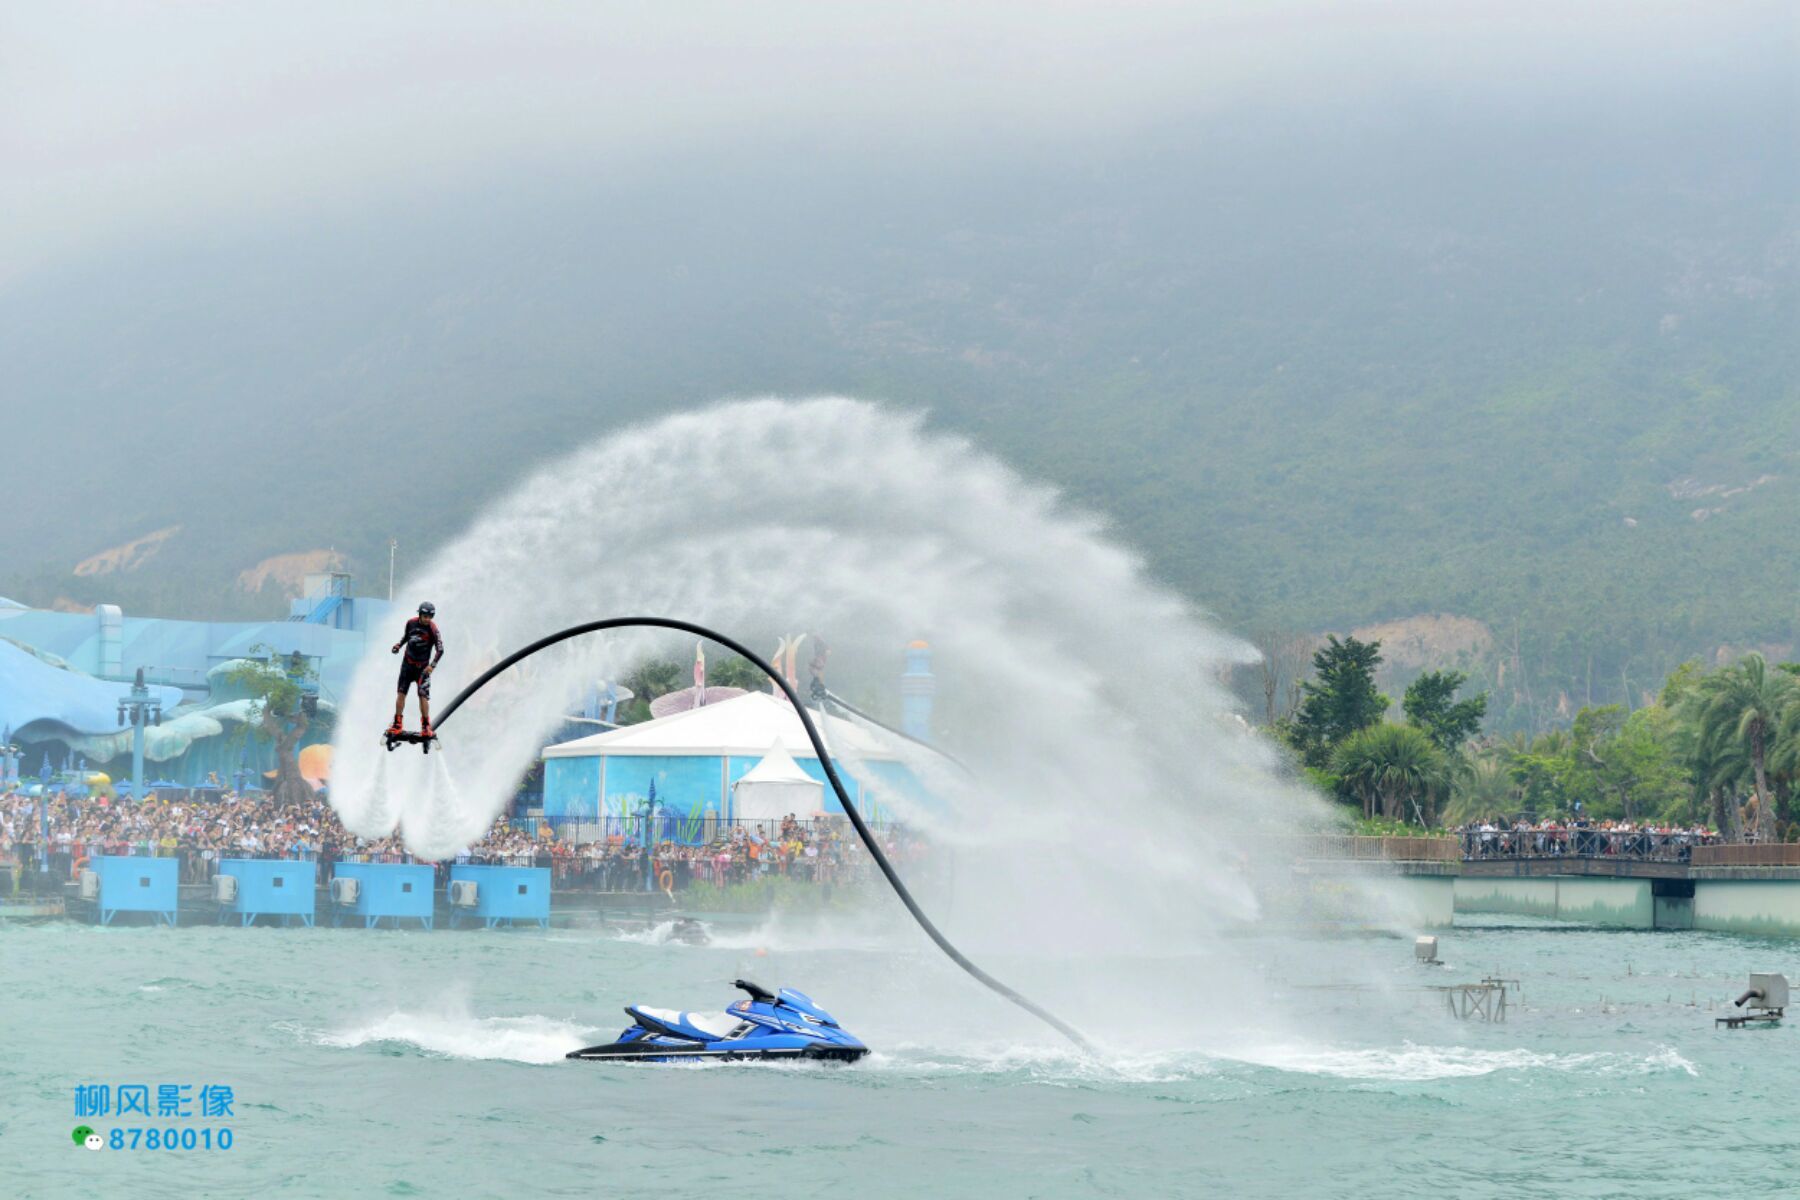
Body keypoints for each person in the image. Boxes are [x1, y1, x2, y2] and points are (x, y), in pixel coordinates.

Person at [388, 602, 445, 738]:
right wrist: (398, 645)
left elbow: (440, 650)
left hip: (423, 669)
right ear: (419, 614)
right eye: (425, 616)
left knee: (422, 696)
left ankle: (426, 726)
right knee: (401, 694)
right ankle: (397, 723)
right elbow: (406, 637)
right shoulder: (411, 623)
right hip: (407, 665)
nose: (427, 619)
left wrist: (432, 666)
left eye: (430, 617)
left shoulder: (433, 629)